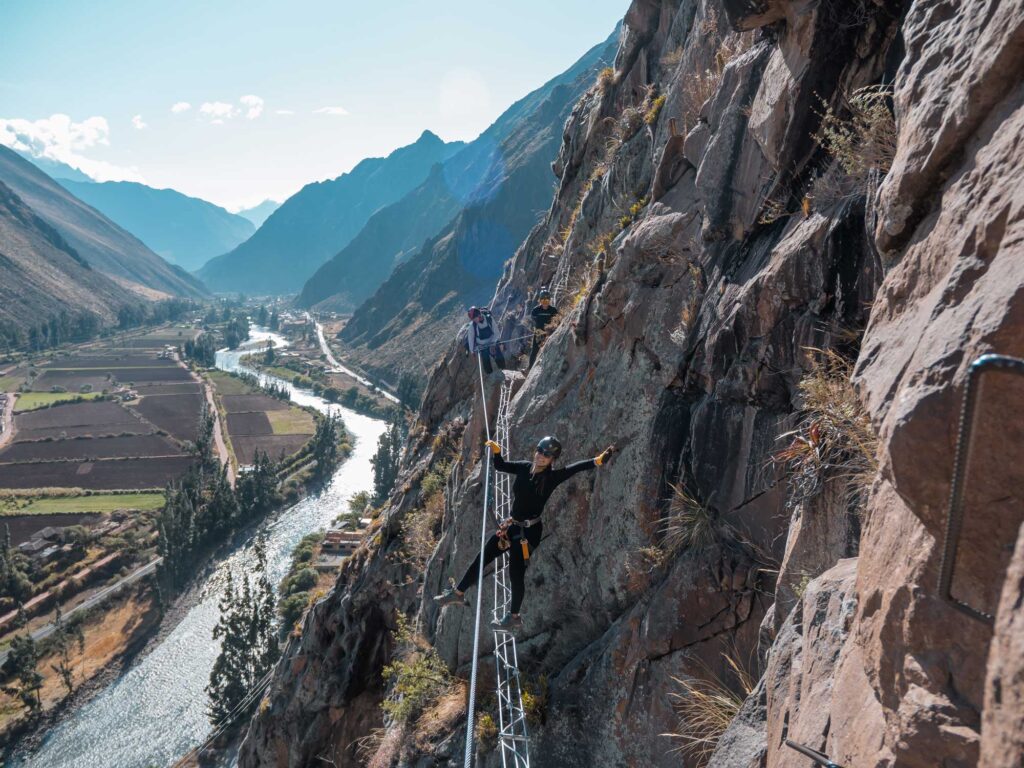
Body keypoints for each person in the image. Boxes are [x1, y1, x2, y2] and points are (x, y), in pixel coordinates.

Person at [434, 436, 615, 631]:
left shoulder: (552, 478)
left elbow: (576, 468)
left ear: (552, 459)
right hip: (513, 525)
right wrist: (496, 451)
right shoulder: (523, 467)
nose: (541, 456)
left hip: (529, 533)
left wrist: (597, 460)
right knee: (483, 556)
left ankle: (514, 617)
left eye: (546, 455)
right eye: (540, 451)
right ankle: (458, 593)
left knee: (515, 574)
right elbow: (501, 466)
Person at [465, 306, 505, 375]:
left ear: (478, 315)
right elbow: (470, 339)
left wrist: (493, 342)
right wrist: (472, 351)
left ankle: (504, 370)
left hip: (492, 341)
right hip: (482, 346)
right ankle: (490, 374)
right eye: (472, 319)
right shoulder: (473, 326)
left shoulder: (489, 319)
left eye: (474, 318)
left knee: (499, 356)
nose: (474, 320)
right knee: (486, 360)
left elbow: (496, 332)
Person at [528, 288, 559, 369]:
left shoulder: (553, 310)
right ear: (540, 300)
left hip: (549, 333)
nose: (545, 302)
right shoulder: (536, 310)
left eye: (547, 300)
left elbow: (556, 321)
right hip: (538, 332)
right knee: (534, 350)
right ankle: (529, 368)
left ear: (549, 300)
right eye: (543, 300)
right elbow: (533, 320)